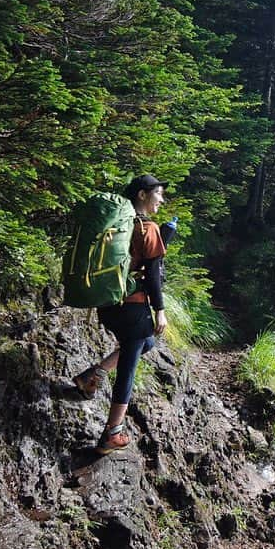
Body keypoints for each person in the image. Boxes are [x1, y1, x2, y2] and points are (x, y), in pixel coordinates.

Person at [72, 174, 170, 454]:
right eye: (158, 194)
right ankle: (112, 432)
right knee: (129, 368)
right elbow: (152, 275)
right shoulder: (147, 229)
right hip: (134, 307)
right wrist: (160, 310)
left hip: (108, 304)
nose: (161, 200)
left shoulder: (118, 226)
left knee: (146, 344)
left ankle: (93, 375)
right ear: (142, 195)